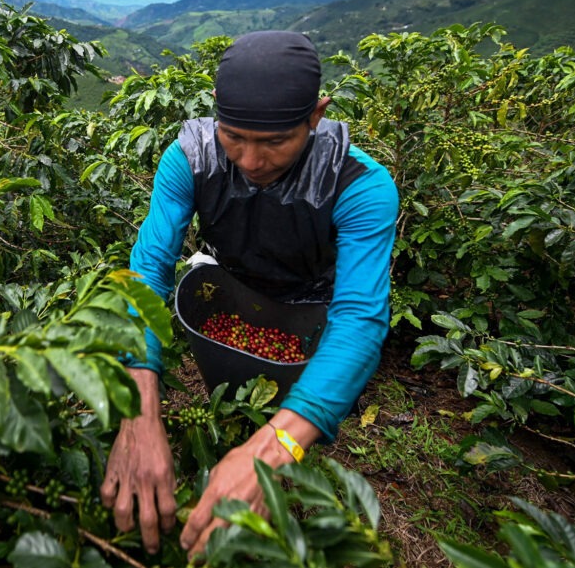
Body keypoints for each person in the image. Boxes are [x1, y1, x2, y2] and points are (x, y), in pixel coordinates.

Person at [99, 30, 399, 559]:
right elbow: (149, 267)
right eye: (234, 137)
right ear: (215, 113)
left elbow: (359, 317)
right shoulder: (188, 158)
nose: (252, 161)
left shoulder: (361, 186)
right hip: (233, 276)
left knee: (303, 389)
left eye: (275, 142)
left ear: (316, 115)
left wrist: (274, 446)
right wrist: (139, 405)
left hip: (311, 298)